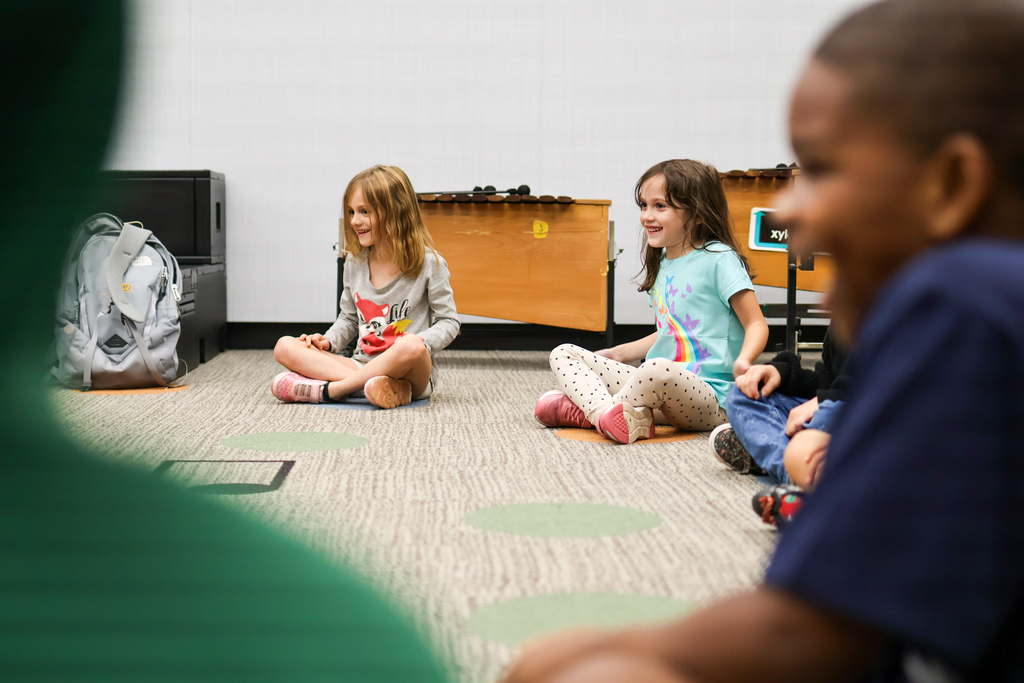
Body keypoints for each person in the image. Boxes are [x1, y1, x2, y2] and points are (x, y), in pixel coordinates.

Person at [502, 0, 1024, 680]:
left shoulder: (962, 302)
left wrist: (628, 653)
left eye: (822, 169)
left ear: (952, 183)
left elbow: (804, 630)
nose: (792, 213)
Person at [534, 159, 768, 444]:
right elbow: (671, 331)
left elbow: (755, 322)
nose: (647, 215)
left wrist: (744, 361)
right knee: (564, 352)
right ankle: (607, 413)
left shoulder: (720, 259)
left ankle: (592, 412)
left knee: (655, 367)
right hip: (659, 387)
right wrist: (619, 353)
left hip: (713, 397)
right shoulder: (665, 261)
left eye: (660, 206)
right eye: (644, 205)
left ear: (698, 213)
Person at [271, 165, 460, 408]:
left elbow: (449, 321)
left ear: (396, 212)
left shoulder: (431, 263)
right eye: (351, 212)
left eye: (364, 212)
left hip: (412, 371)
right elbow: (349, 319)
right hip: (362, 363)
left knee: (411, 344)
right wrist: (327, 342)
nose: (354, 221)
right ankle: (379, 387)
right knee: (284, 346)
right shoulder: (355, 262)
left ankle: (335, 389)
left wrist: (422, 342)